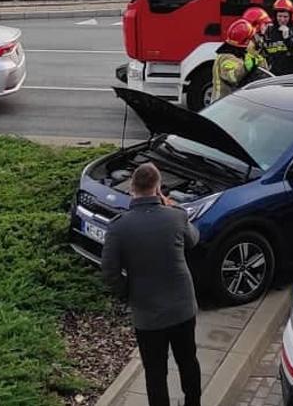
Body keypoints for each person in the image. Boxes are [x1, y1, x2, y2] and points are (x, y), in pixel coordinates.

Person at [99, 162, 204, 406]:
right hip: (182, 308)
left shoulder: (119, 227)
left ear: (132, 187)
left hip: (147, 313)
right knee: (188, 360)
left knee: (155, 372)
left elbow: (109, 272)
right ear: (158, 187)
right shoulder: (176, 216)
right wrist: (171, 207)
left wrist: (128, 292)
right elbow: (194, 240)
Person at [258, 0, 293, 75]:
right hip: (273, 75)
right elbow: (264, 54)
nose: (282, 20)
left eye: (285, 17)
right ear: (275, 16)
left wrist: (288, 40)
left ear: (290, 17)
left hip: (291, 76)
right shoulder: (269, 31)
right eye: (279, 16)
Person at [212, 19, 256, 101]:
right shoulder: (226, 57)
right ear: (245, 42)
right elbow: (232, 77)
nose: (253, 42)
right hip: (223, 105)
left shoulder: (238, 55)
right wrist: (245, 67)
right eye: (251, 39)